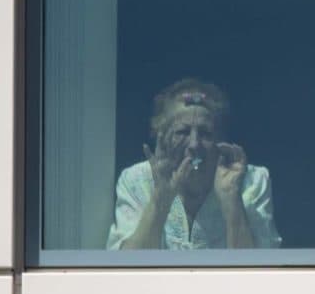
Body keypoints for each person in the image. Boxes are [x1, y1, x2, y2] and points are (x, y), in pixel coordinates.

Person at [107, 78, 281, 250]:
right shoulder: (136, 179)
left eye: (205, 133)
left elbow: (259, 271)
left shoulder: (251, 181)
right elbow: (127, 268)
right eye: (182, 132)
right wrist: (161, 200)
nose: (194, 144)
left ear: (220, 139)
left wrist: (231, 200)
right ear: (162, 137)